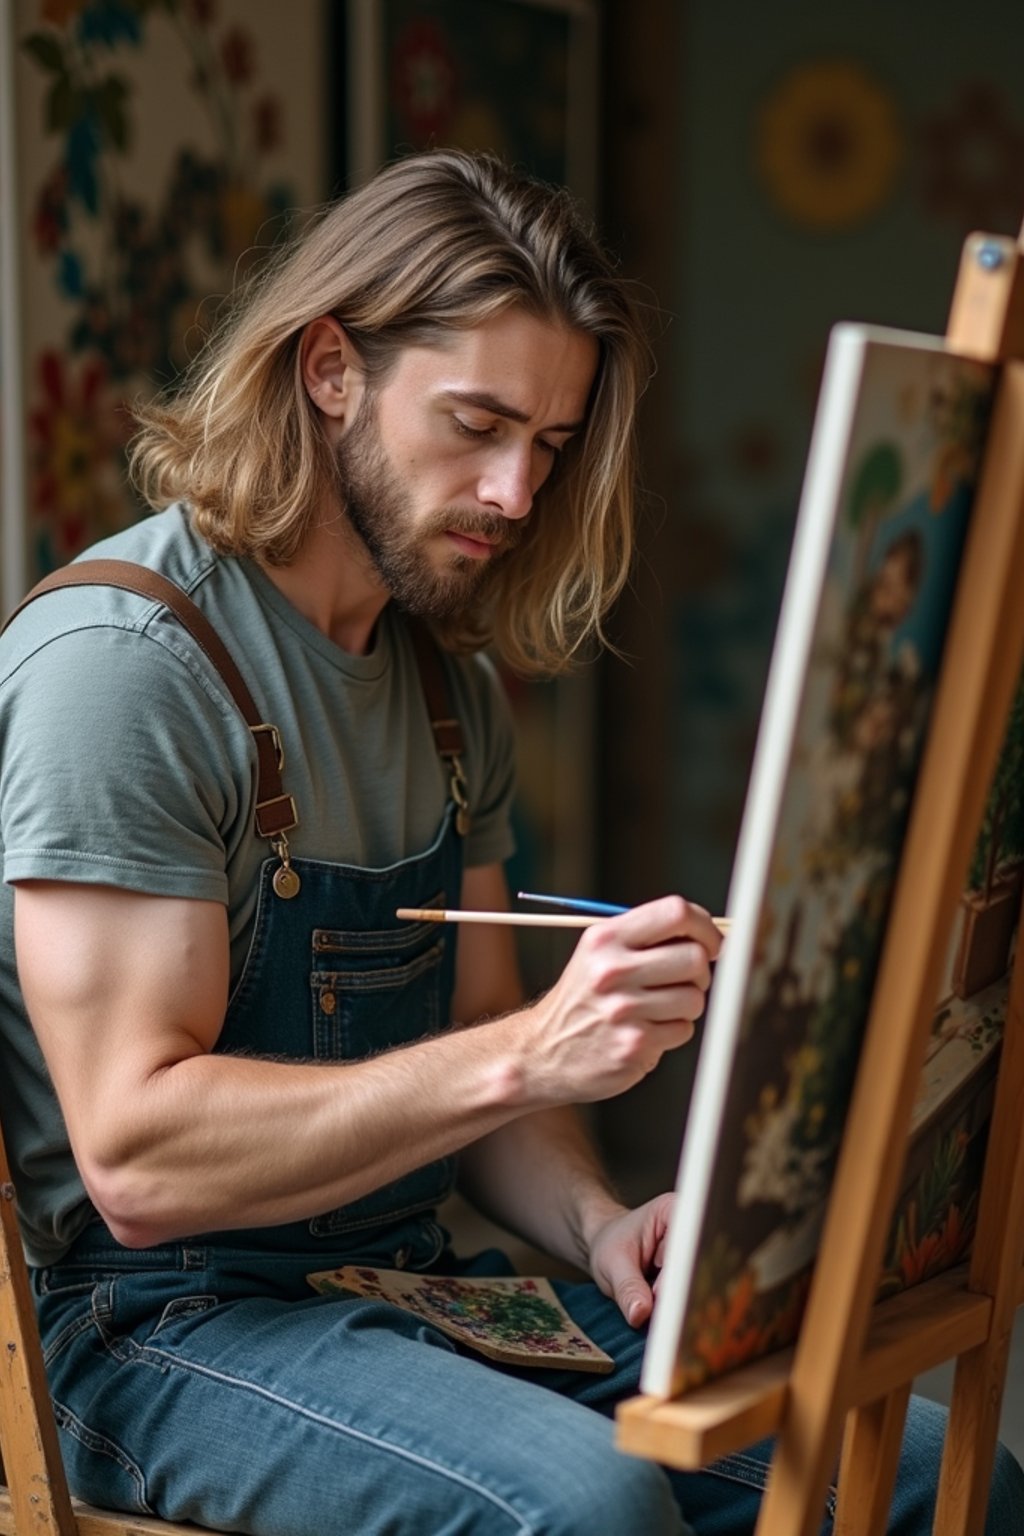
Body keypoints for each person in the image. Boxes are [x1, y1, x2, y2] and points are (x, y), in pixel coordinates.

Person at [0, 149, 1020, 1536]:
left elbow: (487, 1076)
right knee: (584, 1510)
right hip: (155, 1330)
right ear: (329, 370)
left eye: (549, 444)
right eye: (475, 424)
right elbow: (135, 1159)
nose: (515, 492)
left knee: (920, 1475)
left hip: (403, 1284)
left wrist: (598, 1224)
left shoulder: (444, 685)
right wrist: (532, 1049)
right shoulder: (129, 671)